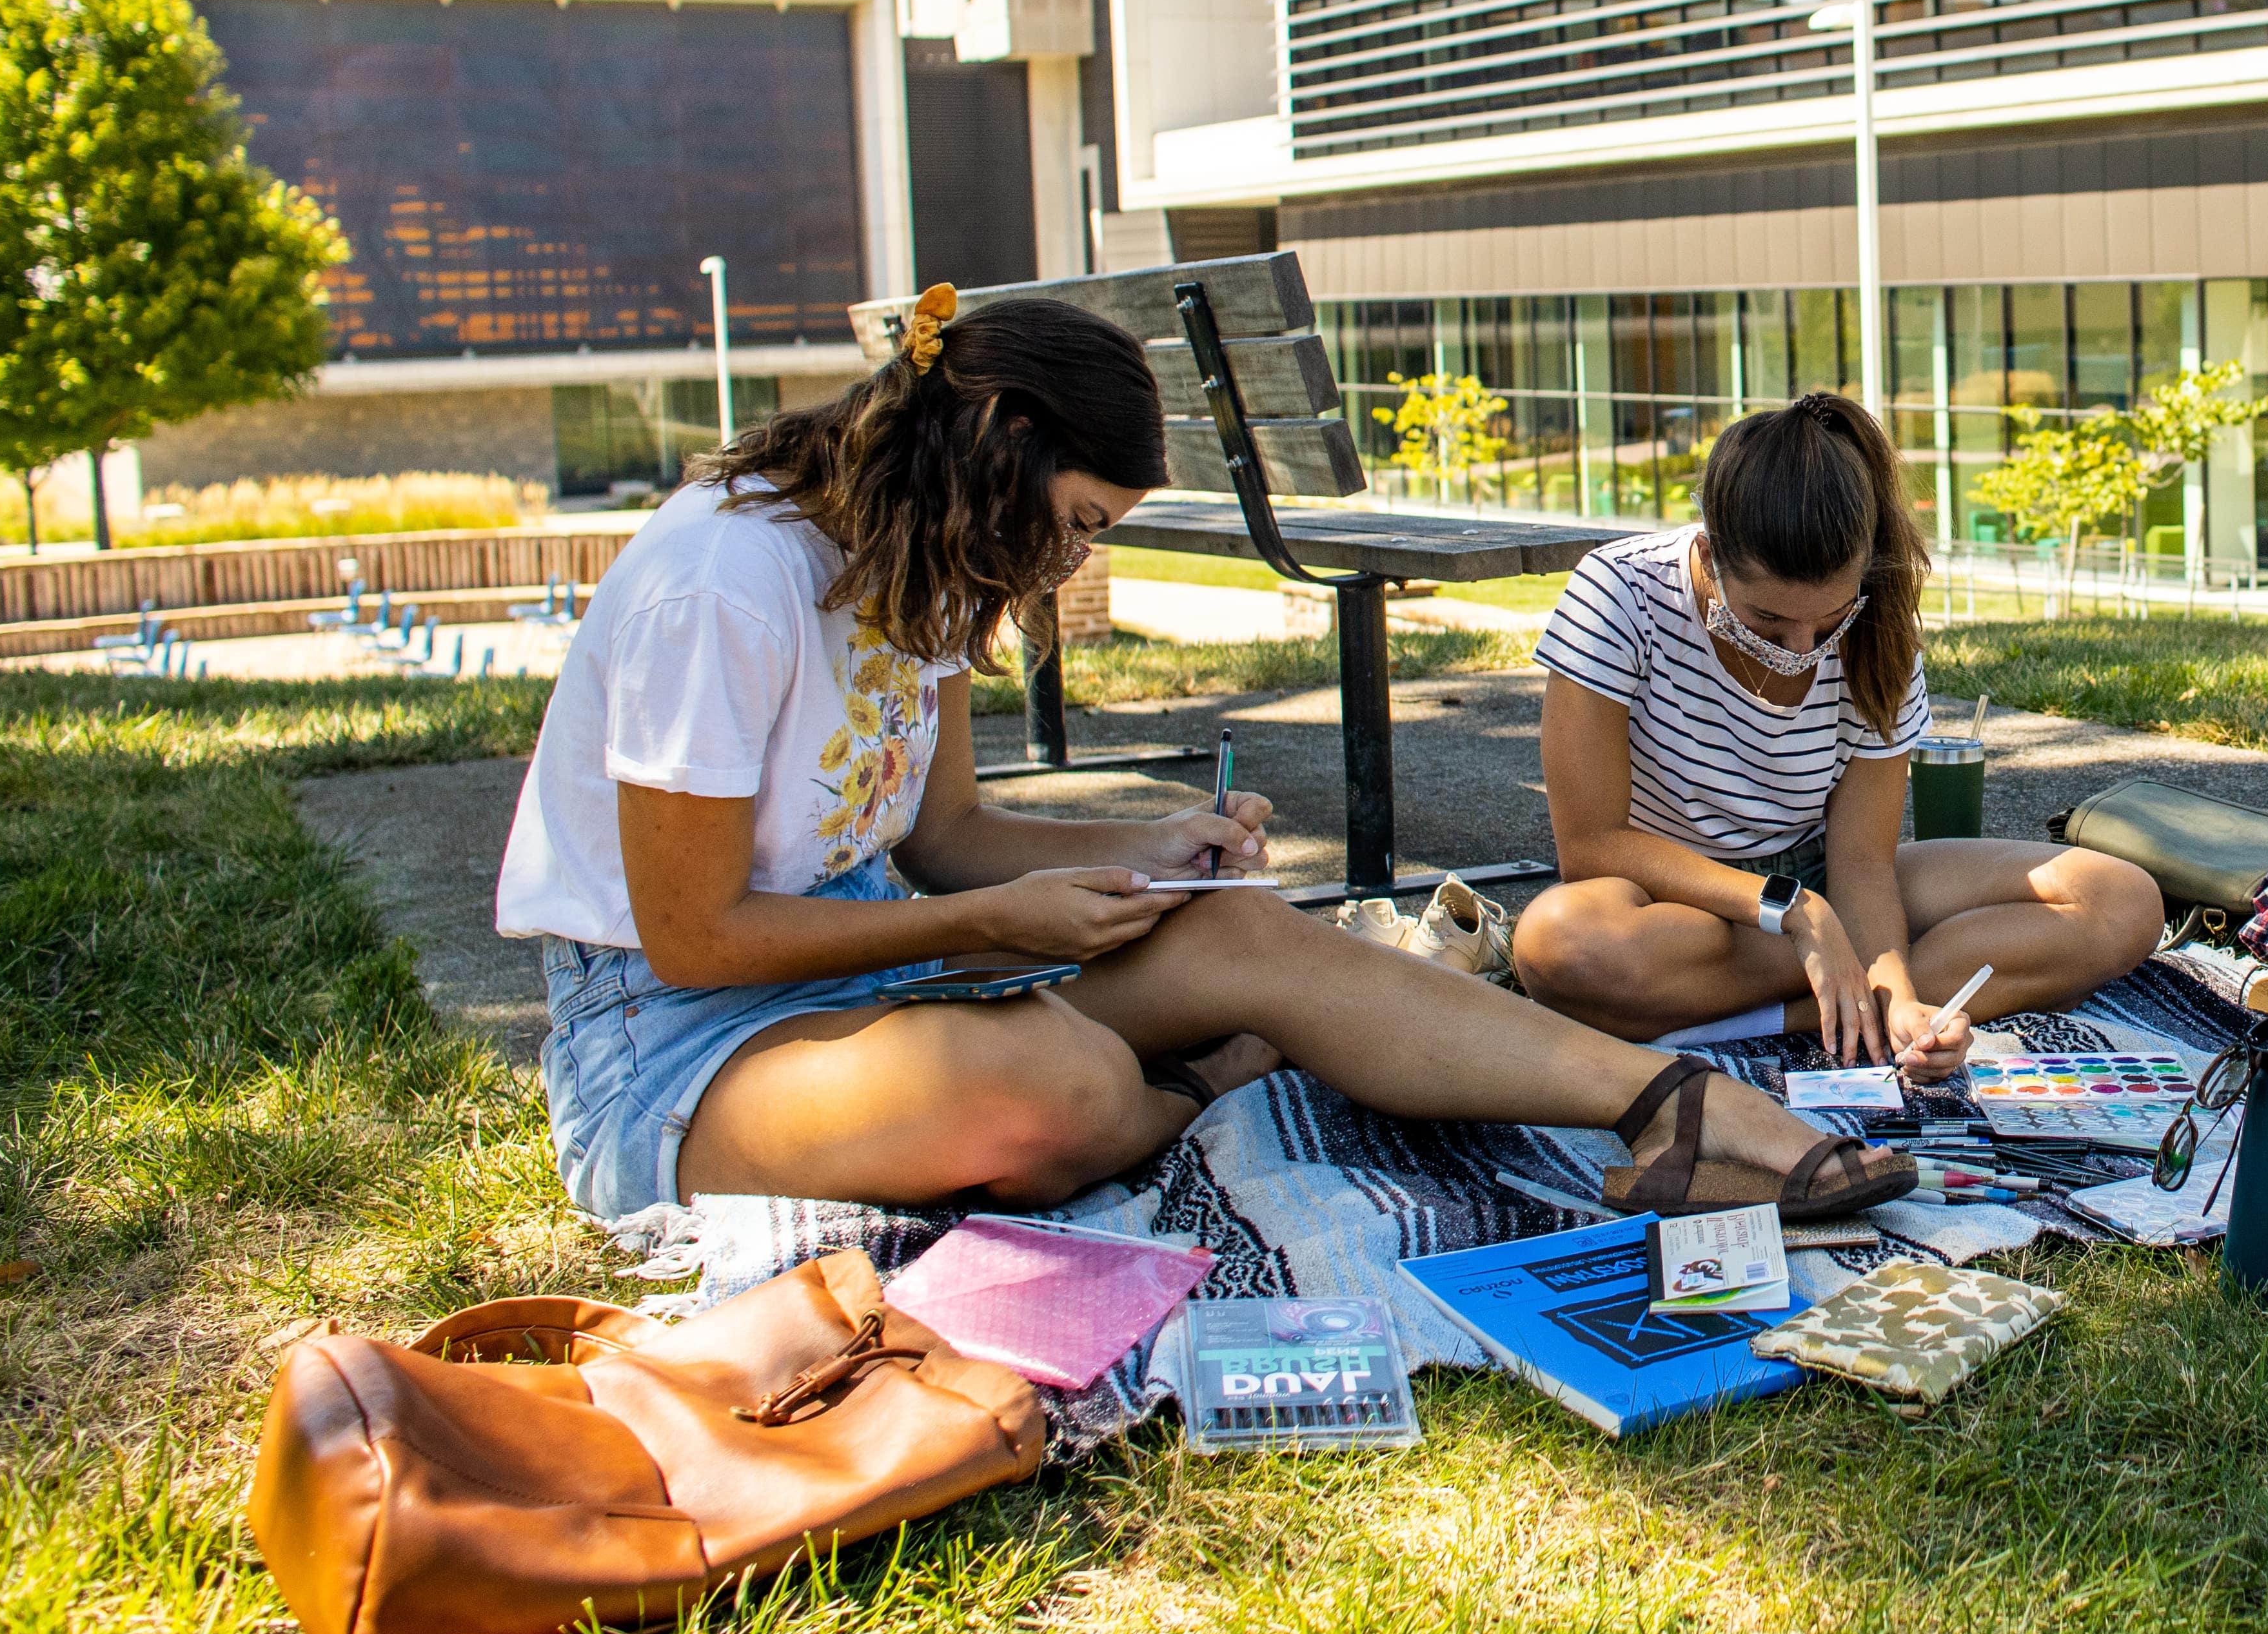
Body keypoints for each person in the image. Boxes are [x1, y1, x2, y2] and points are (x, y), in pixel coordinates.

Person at [495, 286, 1907, 1226]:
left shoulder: (910, 563)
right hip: (671, 1051)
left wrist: (1144, 853)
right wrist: (995, 922)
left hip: (876, 975)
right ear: (995, 448)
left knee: (1244, 927)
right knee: (1055, 1084)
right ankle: (1197, 1076)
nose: (1074, 555)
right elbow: (693, 936)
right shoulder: (724, 583)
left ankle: (1692, 1110)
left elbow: (947, 839)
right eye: (1082, 517)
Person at [1510, 391, 2164, 1072]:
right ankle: (1840, 991)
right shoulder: (1619, 593)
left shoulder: (1880, 629)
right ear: (1711, 550)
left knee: (2120, 900)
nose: (1801, 648)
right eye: (1767, 621)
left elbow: (1861, 862)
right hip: (1676, 901)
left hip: (1827, 885)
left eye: (1829, 622)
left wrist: (1902, 993)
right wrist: (1798, 915)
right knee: (1561, 942)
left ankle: (1831, 1009)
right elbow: (1591, 848)